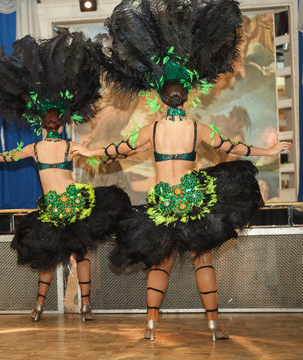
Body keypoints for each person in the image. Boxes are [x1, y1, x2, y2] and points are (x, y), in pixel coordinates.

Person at [74, 0, 291, 341]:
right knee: (202, 259)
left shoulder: (152, 130)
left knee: (160, 263)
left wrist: (88, 150)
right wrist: (268, 150)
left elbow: (118, 150)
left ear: (161, 98)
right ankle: (213, 325)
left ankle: (150, 325)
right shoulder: (197, 129)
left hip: (163, 206)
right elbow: (234, 148)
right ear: (187, 96)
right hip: (192, 205)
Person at [0, 32, 136, 322]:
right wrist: (124, 148)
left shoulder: (36, 148)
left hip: (58, 206)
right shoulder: (67, 146)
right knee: (80, 253)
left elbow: (9, 156)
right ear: (60, 122)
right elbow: (99, 152)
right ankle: (83, 305)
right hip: (72, 204)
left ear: (42, 122)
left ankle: (41, 306)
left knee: (51, 256)